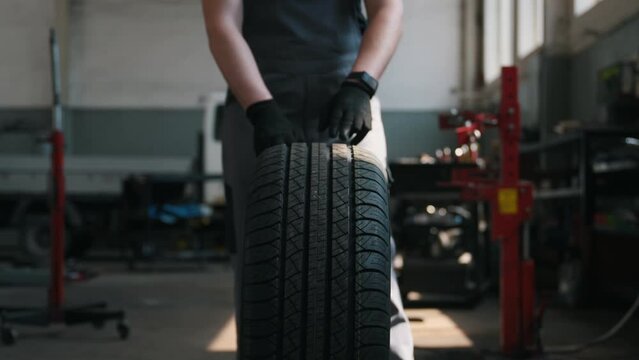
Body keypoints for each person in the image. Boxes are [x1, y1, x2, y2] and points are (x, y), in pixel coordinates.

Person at [202, 0, 414, 358]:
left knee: (367, 237)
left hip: (345, 92)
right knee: (258, 243)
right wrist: (260, 106)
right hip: (257, 94)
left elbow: (388, 11)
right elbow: (222, 23)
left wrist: (362, 84)